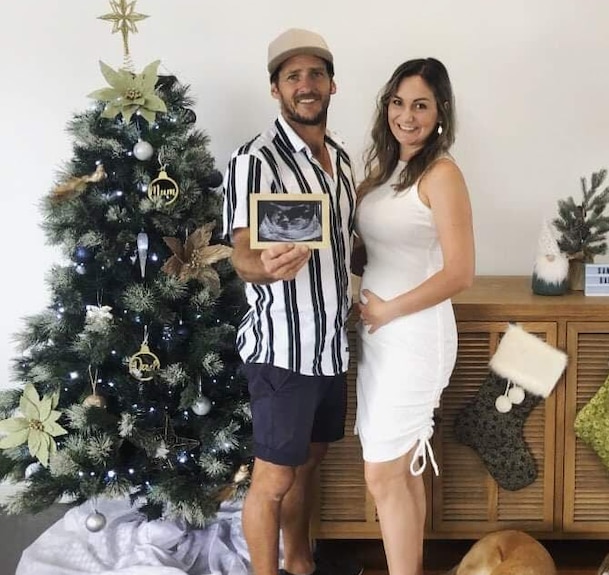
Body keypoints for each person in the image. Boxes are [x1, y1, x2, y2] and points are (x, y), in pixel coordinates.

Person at [222, 27, 360, 575]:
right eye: (293, 76)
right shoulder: (254, 159)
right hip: (283, 349)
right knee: (274, 478)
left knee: (307, 465)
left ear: (332, 84)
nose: (306, 85)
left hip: (330, 348)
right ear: (276, 89)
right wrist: (264, 266)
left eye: (316, 73)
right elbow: (240, 252)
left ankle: (300, 565)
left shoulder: (343, 162)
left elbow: (347, 246)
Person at [354, 58, 475, 575]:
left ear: (440, 112)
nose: (408, 115)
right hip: (379, 337)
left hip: (414, 336)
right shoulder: (385, 173)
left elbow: (461, 273)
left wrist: (388, 309)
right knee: (400, 472)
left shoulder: (442, 173)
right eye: (399, 102)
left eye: (421, 104)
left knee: (383, 473)